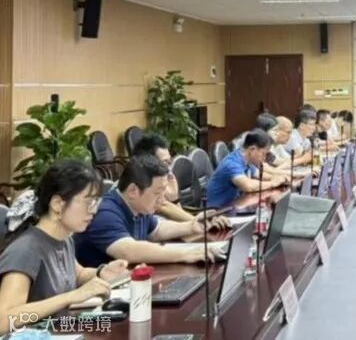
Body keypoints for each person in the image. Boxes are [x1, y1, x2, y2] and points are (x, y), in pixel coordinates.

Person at [0, 161, 129, 333]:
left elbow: (77, 274)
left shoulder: (64, 238)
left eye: (96, 203)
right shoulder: (25, 250)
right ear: (57, 204)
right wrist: (70, 297)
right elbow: (5, 320)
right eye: (89, 202)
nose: (93, 211)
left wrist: (102, 272)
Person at [75, 156, 222, 267]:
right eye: (157, 193)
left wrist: (191, 225)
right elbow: (129, 251)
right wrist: (185, 254)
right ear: (133, 191)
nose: (162, 199)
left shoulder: (139, 207)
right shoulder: (105, 213)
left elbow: (157, 230)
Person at [132, 134, 230, 229]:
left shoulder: (160, 183)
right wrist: (201, 223)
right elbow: (163, 206)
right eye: (165, 163)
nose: (169, 169)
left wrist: (175, 200)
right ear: (148, 164)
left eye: (169, 162)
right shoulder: (140, 186)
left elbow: (171, 210)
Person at [205, 130, 288, 208]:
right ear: (252, 149)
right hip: (219, 211)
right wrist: (272, 183)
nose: (264, 158)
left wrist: (280, 179)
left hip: (234, 205)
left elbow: (260, 175)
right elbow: (248, 186)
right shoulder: (232, 164)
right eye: (263, 154)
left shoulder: (246, 159)